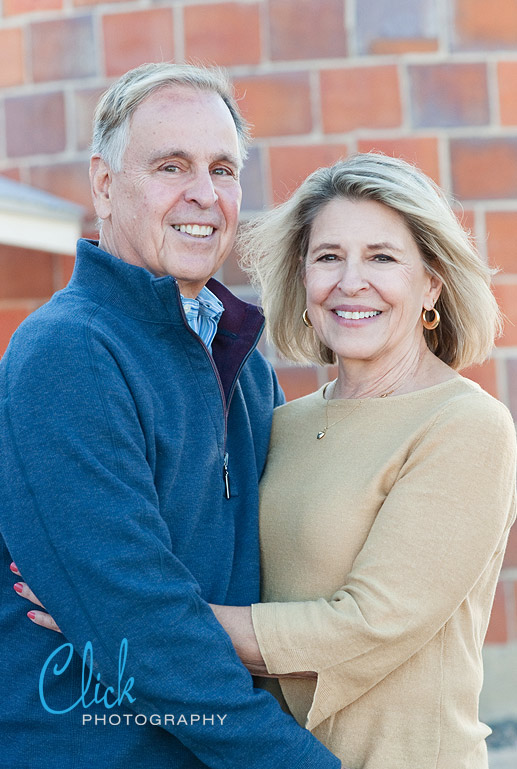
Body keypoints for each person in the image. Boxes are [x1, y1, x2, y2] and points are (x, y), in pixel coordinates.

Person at [0, 63, 341, 769]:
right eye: (170, 165)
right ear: (103, 183)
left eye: (222, 168)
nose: (203, 194)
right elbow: (139, 624)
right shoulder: (68, 352)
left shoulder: (242, 365)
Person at [195, 154, 517, 768]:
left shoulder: (465, 426)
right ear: (303, 278)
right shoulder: (283, 424)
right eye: (328, 256)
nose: (350, 281)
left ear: (432, 284)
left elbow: (365, 625)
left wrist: (131, 628)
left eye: (382, 257)